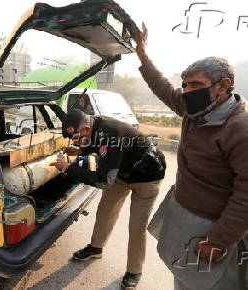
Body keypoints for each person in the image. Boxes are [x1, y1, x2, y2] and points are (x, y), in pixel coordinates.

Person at [136, 23, 248, 290]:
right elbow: (163, 87)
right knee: (183, 279)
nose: (186, 91)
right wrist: (142, 56)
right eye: (185, 85)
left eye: (195, 85)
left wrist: (219, 240)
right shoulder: (194, 108)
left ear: (223, 86)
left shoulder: (240, 129)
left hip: (215, 230)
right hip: (184, 219)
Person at [50, 109, 166, 290]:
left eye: (77, 138)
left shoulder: (112, 132)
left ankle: (134, 270)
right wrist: (80, 150)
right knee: (105, 211)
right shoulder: (95, 125)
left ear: (87, 128)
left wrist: (67, 168)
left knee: (136, 226)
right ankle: (95, 248)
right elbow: (98, 146)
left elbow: (103, 181)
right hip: (121, 172)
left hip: (146, 177)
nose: (75, 140)